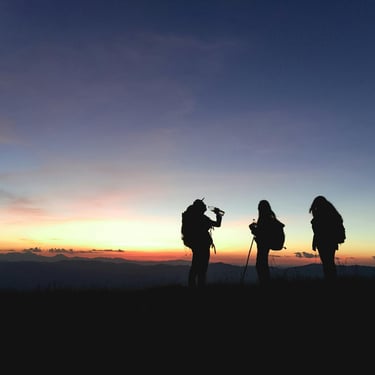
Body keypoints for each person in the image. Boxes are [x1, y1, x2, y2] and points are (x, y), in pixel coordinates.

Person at [181, 198, 223, 288]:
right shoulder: (201, 218)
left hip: (195, 245)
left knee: (195, 266)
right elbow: (217, 224)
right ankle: (200, 287)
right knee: (202, 268)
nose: (205, 208)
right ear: (200, 208)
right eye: (203, 206)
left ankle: (192, 286)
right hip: (203, 245)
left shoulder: (191, 217)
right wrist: (218, 214)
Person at [309, 195, 345, 281]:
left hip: (324, 242)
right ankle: (331, 281)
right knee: (329, 262)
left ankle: (330, 282)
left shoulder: (321, 214)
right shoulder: (332, 213)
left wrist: (315, 242)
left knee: (327, 263)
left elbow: (319, 231)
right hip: (331, 242)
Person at [249, 200, 279, 285]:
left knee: (260, 265)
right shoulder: (270, 218)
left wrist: (252, 229)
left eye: (259, 207)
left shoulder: (264, 219)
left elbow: (261, 234)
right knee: (262, 265)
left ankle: (264, 284)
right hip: (265, 245)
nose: (258, 209)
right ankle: (265, 283)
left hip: (263, 245)